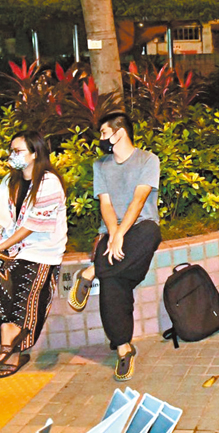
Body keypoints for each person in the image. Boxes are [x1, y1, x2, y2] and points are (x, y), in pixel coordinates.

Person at [67, 112, 162, 381]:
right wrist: (113, 233)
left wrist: (120, 233)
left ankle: (92, 272)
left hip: (140, 228)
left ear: (120, 133)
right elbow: (105, 204)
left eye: (104, 132)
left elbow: (139, 200)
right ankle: (123, 348)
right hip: (111, 232)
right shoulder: (101, 165)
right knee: (114, 281)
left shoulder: (148, 159)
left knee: (150, 232)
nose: (101, 138)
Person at [0, 131, 67, 377]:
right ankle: (6, 329)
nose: (12, 155)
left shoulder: (48, 182)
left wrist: (1, 245)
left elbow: (33, 225)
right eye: (11, 151)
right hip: (14, 250)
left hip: (42, 252)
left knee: (27, 287)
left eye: (18, 151)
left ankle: (12, 346)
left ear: (34, 153)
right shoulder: (9, 182)